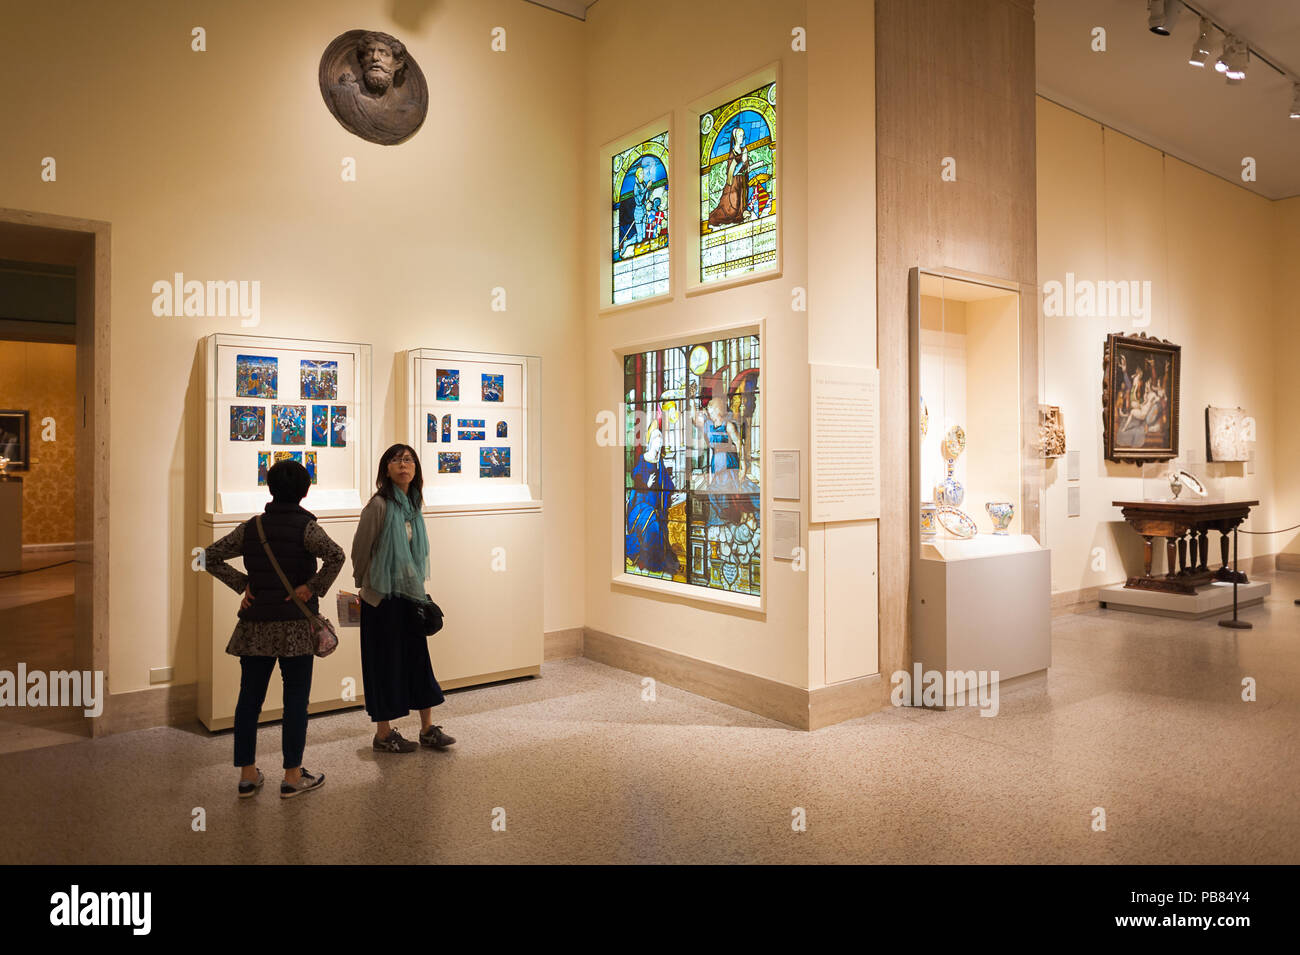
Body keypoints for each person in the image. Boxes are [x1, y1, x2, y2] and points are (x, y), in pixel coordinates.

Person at [201, 459, 344, 799]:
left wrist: (243, 585)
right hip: (296, 627)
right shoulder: (307, 528)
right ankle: (292, 777)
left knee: (249, 700)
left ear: (270, 488)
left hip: (255, 628)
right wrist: (311, 587)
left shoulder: (253, 528)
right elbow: (336, 556)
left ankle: (247, 775)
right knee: (296, 701)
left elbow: (208, 556)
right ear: (305, 490)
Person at [351, 444, 455, 754]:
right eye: (396, 460)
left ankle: (427, 729)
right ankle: (383, 735)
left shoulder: (413, 506)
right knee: (384, 663)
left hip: (410, 596)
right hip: (381, 598)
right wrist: (368, 585)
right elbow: (360, 550)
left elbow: (414, 554)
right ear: (386, 469)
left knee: (417, 660)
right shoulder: (378, 506)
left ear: (416, 470)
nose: (403, 465)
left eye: (408, 460)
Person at [707, 126, 751, 228]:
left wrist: (747, 164)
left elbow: (746, 167)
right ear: (735, 138)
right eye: (740, 136)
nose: (742, 138)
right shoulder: (732, 153)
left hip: (742, 180)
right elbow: (732, 172)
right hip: (734, 183)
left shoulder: (744, 150)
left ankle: (742, 212)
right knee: (732, 208)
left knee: (742, 199)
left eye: (743, 136)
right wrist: (742, 162)